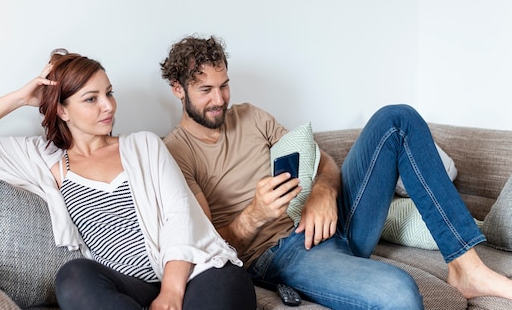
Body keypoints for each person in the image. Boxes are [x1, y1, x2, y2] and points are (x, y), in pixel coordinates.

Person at [159, 35, 512, 310]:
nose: (220, 99)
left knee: (397, 118)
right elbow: (204, 247)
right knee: (397, 292)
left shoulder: (251, 116)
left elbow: (321, 159)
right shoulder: (174, 153)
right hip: (281, 252)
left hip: (333, 220)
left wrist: (322, 194)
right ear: (178, 89)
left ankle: (467, 267)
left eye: (224, 85)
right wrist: (254, 215)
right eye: (206, 90)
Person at [0, 48, 256, 310]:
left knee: (221, 279)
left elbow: (180, 215)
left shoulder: (144, 145)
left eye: (109, 93)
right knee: (74, 275)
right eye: (91, 99)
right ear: (62, 111)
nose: (109, 106)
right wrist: (20, 98)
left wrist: (171, 292)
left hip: (199, 274)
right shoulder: (46, 159)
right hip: (132, 290)